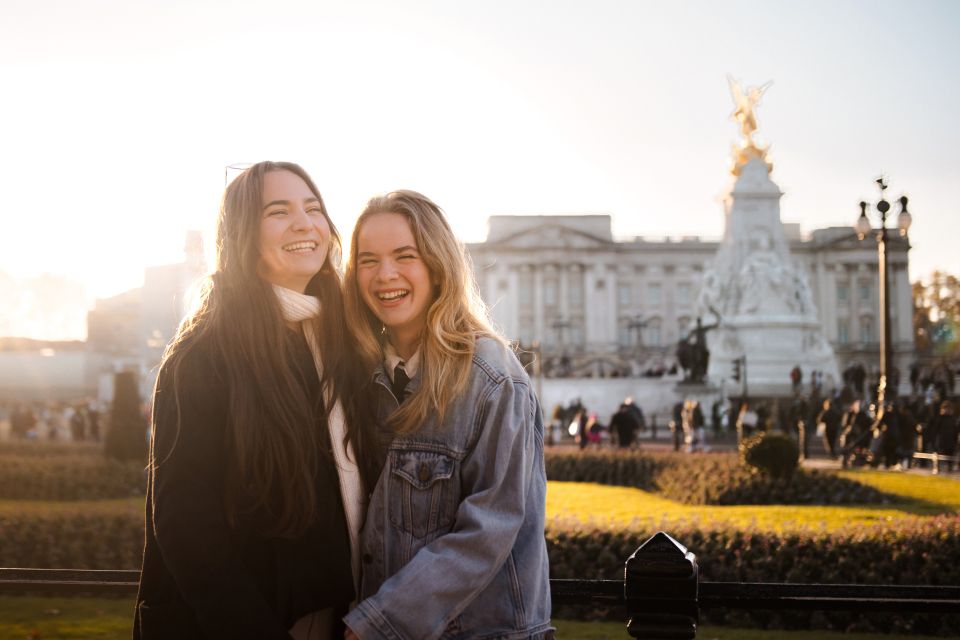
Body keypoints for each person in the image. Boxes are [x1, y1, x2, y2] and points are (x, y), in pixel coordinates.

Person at [135, 162, 376, 640]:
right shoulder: (204, 354)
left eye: (313, 208)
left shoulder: (342, 341)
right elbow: (185, 521)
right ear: (244, 234)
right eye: (278, 211)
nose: (305, 223)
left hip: (341, 616)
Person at [342, 190, 552, 640]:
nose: (385, 275)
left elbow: (489, 530)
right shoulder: (370, 374)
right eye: (368, 260)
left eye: (405, 256)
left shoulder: (491, 376)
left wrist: (377, 624)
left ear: (438, 267)